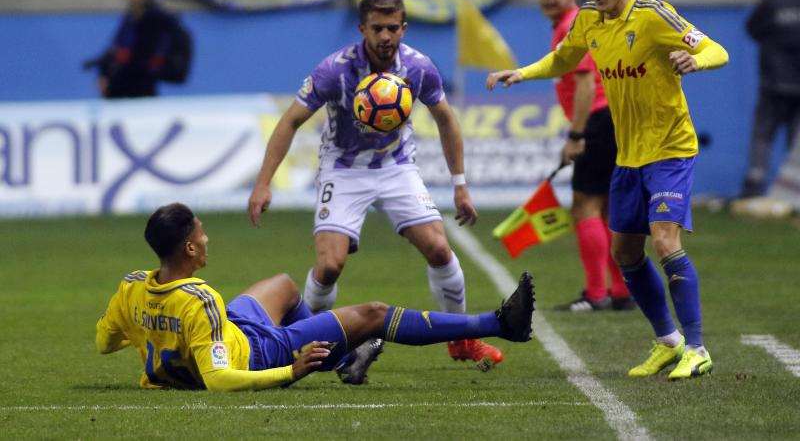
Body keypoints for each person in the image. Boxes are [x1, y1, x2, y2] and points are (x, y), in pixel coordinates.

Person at [486, 0, 729, 379]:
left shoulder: (654, 15)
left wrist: (695, 60)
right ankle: (667, 342)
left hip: (670, 149)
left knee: (664, 240)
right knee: (625, 252)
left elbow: (716, 49)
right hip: (628, 153)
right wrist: (521, 73)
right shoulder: (588, 21)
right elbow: (563, 59)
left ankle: (697, 347)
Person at [248, 0, 504, 370]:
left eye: (393, 28)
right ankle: (308, 345)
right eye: (377, 28)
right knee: (330, 266)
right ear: (362, 29)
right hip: (343, 169)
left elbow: (446, 119)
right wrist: (263, 182)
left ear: (403, 27)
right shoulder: (334, 70)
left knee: (438, 248)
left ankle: (462, 341)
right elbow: (290, 121)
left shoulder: (419, 68)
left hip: (396, 167)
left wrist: (460, 184)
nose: (385, 37)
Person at [96, 203, 535, 390]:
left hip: (229, 328)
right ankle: (500, 324)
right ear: (190, 248)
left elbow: (104, 342)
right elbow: (218, 379)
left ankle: (347, 361)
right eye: (202, 233)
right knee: (375, 313)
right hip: (257, 352)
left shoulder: (133, 286)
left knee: (285, 285)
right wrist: (289, 370)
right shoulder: (200, 300)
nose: (208, 239)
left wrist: (149, 330)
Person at [535, 0, 633, 313]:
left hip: (598, 120)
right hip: (612, 119)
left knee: (584, 207)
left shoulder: (572, 26)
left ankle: (596, 294)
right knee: (607, 209)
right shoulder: (574, 24)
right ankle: (621, 291)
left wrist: (575, 135)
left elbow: (586, 84)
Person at [739, 0, 800, 198]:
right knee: (795, 138)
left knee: (763, 133)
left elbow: (752, 27)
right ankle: (792, 191)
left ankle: (754, 182)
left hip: (774, 80)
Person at [82, 0, 193, 99]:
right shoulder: (129, 19)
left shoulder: (158, 20)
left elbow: (141, 60)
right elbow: (119, 51)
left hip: (141, 92)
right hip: (120, 91)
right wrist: (105, 73)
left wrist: (114, 78)